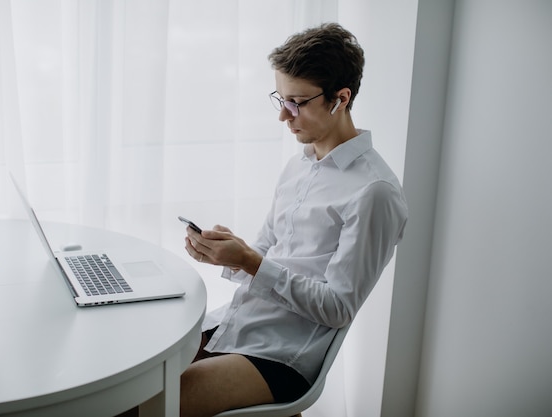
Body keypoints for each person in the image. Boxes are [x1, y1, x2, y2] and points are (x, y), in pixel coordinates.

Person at [121, 22, 408, 417]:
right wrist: (229, 254)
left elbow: (338, 308)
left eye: (297, 102)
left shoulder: (374, 192)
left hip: (283, 357)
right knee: (119, 378)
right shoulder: (299, 165)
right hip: (241, 326)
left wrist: (249, 261)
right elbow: (268, 255)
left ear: (340, 99)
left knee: (141, 405)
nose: (284, 117)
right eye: (280, 99)